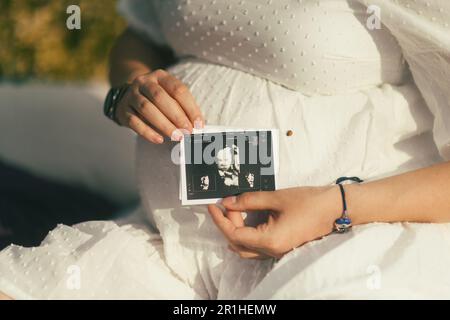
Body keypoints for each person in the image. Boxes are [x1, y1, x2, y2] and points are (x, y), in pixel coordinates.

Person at [1, 0, 450, 299]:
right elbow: (143, 33)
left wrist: (336, 206)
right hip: (171, 244)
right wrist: (130, 88)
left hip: (346, 242)